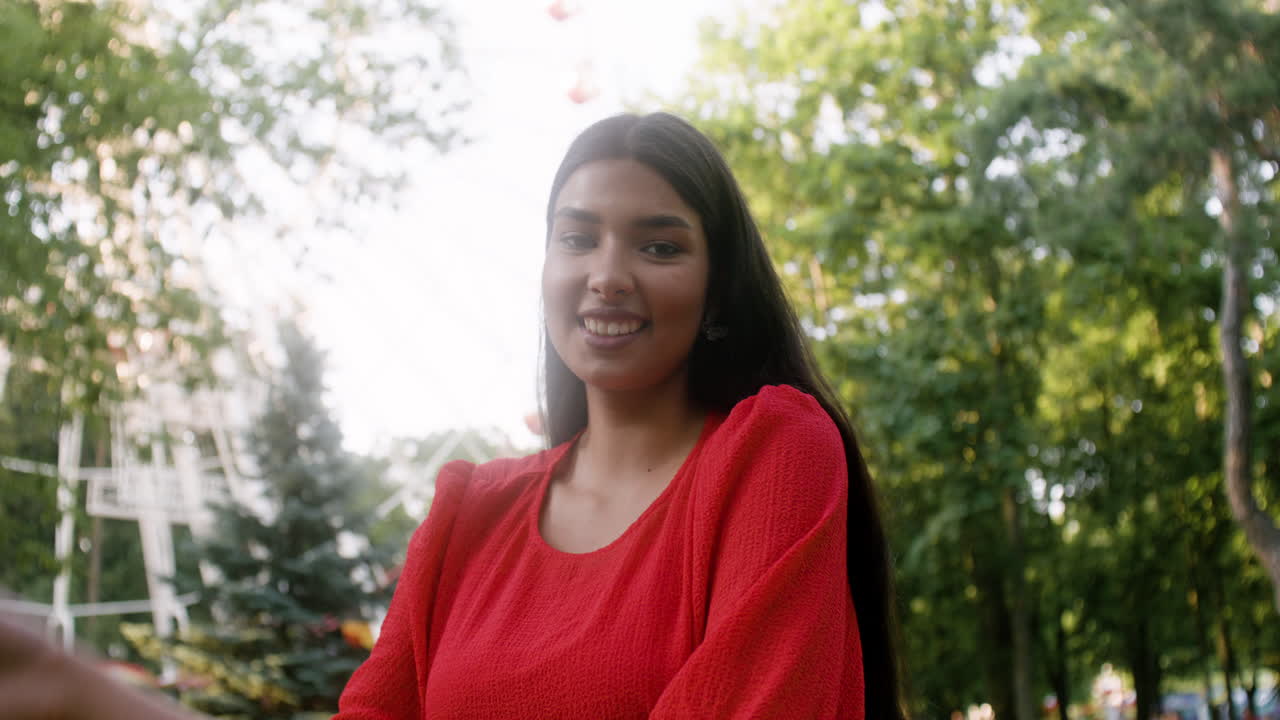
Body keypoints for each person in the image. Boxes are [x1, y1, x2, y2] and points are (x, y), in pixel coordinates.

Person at [0, 112, 903, 720]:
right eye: (576, 237)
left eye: (659, 245)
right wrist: (82, 693)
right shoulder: (469, 512)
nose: (607, 272)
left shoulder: (774, 451)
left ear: (716, 294)